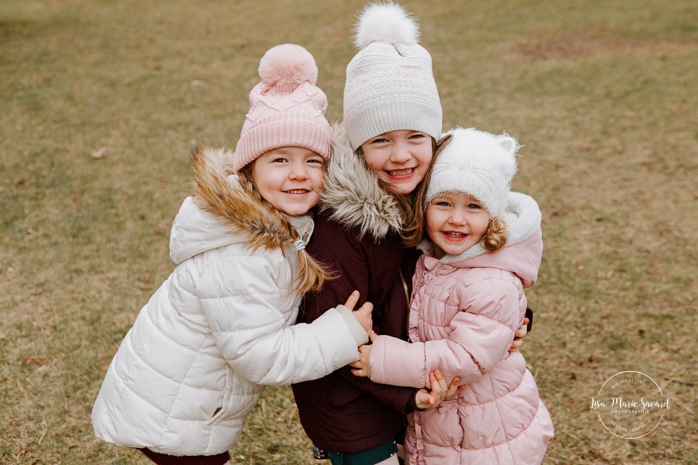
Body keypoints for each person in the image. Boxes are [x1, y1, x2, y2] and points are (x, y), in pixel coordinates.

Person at [91, 43, 378, 465]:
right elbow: (259, 355)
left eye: (313, 160)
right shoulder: (245, 252)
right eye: (280, 159)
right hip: (174, 411)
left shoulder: (277, 225)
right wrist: (342, 332)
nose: (299, 172)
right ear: (249, 170)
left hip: (182, 398)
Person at [291, 4, 529, 465]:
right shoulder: (338, 231)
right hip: (356, 413)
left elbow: (476, 270)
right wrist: (408, 398)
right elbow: (337, 342)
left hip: (415, 390)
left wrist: (513, 319)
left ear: (434, 139)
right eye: (381, 140)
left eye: (415, 137)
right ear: (358, 147)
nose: (401, 156)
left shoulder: (435, 200)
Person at [351, 127, 555, 465]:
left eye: (473, 206)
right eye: (443, 203)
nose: (456, 219)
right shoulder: (435, 259)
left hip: (486, 438)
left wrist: (381, 359)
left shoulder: (492, 280)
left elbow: (466, 357)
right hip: (452, 427)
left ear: (493, 217)